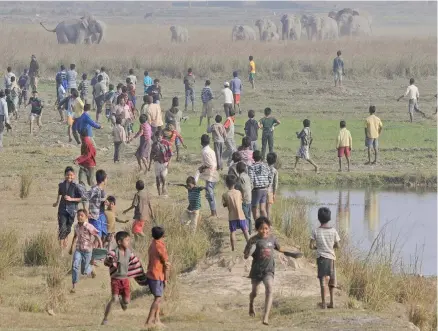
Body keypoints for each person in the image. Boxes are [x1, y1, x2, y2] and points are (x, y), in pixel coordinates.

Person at [244, 217, 286, 325]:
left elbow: (279, 248)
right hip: (256, 270)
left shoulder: (272, 239)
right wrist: (249, 251)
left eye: (267, 228)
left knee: (270, 288)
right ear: (257, 229)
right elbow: (245, 255)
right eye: (262, 229)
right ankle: (251, 303)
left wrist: (287, 254)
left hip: (269, 270)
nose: (265, 231)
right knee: (255, 292)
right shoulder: (253, 240)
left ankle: (265, 316)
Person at [102, 231, 145, 325]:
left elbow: (136, 264)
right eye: (126, 240)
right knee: (114, 299)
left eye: (129, 240)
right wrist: (109, 260)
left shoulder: (129, 253)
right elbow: (107, 260)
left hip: (125, 280)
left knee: (126, 302)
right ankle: (105, 318)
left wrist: (142, 276)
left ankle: (123, 301)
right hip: (115, 280)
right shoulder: (114, 253)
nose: (128, 242)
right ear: (119, 242)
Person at [309, 207, 341, 309]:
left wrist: (316, 247)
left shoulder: (316, 231)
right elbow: (338, 245)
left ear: (319, 218)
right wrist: (331, 247)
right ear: (329, 218)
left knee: (323, 281)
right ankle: (332, 302)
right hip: (331, 258)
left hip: (321, 258)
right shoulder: (333, 231)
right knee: (331, 281)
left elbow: (311, 246)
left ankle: (323, 303)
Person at [69, 209, 102, 293]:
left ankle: (91, 269)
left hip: (87, 251)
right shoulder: (76, 226)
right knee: (75, 266)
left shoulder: (89, 226)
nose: (79, 217)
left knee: (84, 271)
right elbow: (75, 236)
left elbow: (97, 236)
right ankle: (74, 286)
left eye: (82, 215)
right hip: (78, 249)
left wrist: (101, 247)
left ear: (86, 217)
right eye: (78, 215)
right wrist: (71, 247)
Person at [144, 226, 170, 329]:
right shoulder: (160, 246)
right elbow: (166, 263)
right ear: (163, 235)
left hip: (152, 273)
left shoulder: (153, 244)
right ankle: (149, 321)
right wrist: (166, 278)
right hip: (157, 274)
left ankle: (157, 320)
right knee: (158, 298)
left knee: (157, 298)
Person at [53, 166, 83, 248]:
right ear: (65, 175)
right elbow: (59, 193)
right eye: (67, 175)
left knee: (68, 229)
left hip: (72, 210)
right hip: (62, 209)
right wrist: (56, 202)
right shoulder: (61, 185)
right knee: (62, 228)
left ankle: (65, 237)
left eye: (71, 175)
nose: (69, 177)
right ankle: (61, 249)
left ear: (74, 176)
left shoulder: (76, 186)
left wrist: (71, 199)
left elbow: (82, 198)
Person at [222, 175, 250, 251]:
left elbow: (224, 205)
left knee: (232, 232)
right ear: (235, 183)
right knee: (245, 231)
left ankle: (233, 248)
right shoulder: (239, 192)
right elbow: (241, 200)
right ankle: (249, 245)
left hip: (232, 217)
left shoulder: (225, 194)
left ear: (226, 184)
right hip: (241, 215)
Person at [199, 134, 219, 217]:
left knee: (209, 194)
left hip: (210, 174)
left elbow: (209, 164)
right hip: (214, 173)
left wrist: (202, 167)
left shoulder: (205, 151)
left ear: (201, 142)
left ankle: (213, 213)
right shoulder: (211, 150)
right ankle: (213, 211)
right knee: (209, 193)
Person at [248, 150, 272, 221]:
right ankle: (265, 223)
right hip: (265, 189)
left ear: (253, 158)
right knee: (262, 209)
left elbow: (251, 179)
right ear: (261, 157)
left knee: (254, 208)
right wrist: (268, 185)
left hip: (256, 190)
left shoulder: (252, 167)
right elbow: (270, 177)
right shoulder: (266, 166)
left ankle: (257, 225)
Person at [150, 130, 172, 196]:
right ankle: (159, 193)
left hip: (164, 163)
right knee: (157, 178)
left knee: (162, 176)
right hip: (157, 163)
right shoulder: (154, 145)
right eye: (157, 137)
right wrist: (149, 165)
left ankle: (163, 187)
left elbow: (170, 154)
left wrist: (169, 163)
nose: (158, 138)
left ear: (162, 136)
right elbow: (151, 154)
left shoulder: (166, 143)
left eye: (159, 137)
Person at [235, 161, 252, 234]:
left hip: (244, 199)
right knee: (248, 215)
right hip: (249, 198)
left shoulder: (240, 178)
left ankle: (246, 230)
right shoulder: (247, 176)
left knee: (245, 216)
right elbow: (251, 185)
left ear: (237, 170)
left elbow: (238, 188)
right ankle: (250, 230)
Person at [266, 152, 278, 220]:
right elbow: (275, 184)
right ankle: (268, 223)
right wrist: (274, 194)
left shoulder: (264, 168)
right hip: (269, 191)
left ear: (266, 159)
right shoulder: (275, 171)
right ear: (275, 161)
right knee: (268, 209)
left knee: (262, 208)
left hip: (262, 189)